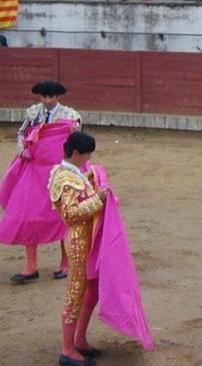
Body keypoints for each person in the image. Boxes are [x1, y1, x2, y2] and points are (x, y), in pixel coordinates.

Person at [1, 80, 80, 286]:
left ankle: (65, 263)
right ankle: (31, 267)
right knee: (29, 215)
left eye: (50, 97)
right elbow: (22, 134)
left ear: (57, 97)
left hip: (59, 171)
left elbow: (76, 142)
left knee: (63, 214)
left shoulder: (70, 116)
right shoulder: (33, 113)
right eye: (43, 97)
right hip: (34, 169)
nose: (46, 101)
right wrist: (23, 149)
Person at [48, 131, 108, 366]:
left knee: (92, 288)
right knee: (75, 294)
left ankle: (80, 340)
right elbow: (70, 214)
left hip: (87, 239)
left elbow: (81, 187)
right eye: (86, 154)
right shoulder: (65, 179)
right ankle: (67, 350)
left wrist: (92, 178)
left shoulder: (69, 171)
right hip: (77, 241)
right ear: (74, 153)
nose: (88, 158)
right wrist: (98, 199)